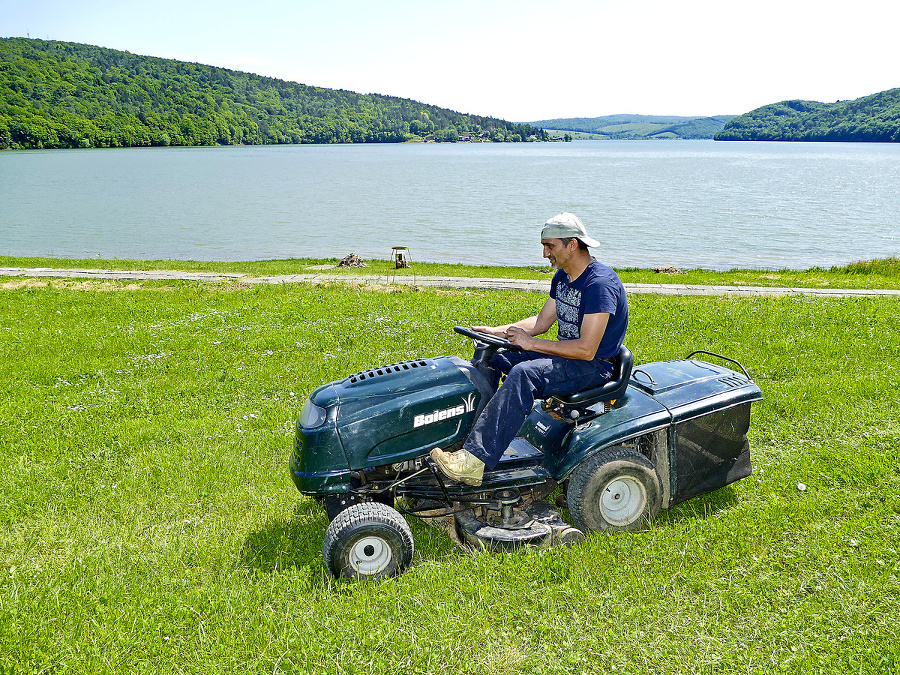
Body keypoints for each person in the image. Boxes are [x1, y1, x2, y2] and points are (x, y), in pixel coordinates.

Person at [430, 212, 628, 486]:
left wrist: (532, 344)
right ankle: (466, 438)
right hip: (564, 354)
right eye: (544, 246)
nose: (545, 253)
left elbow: (586, 349)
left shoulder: (599, 284)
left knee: (525, 374)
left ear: (572, 244)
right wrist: (498, 332)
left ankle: (475, 462)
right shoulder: (563, 277)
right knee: (492, 357)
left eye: (551, 246)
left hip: (594, 366)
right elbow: (540, 322)